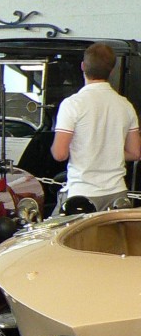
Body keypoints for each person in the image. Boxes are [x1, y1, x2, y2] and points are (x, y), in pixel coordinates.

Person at [50, 42, 141, 213]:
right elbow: (136, 152)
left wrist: (88, 150)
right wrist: (108, 152)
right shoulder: (125, 105)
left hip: (82, 194)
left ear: (83, 66)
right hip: (117, 194)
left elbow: (60, 154)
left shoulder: (72, 104)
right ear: (111, 70)